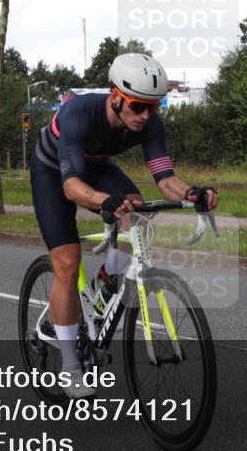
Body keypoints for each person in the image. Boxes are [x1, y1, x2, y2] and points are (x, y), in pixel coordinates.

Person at [30, 53, 218, 398]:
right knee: (67, 264)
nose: (145, 115)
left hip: (97, 166)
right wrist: (104, 201)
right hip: (54, 171)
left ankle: (106, 287)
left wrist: (191, 193)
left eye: (154, 107)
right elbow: (71, 187)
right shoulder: (78, 114)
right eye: (138, 106)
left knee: (139, 218)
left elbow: (165, 179)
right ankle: (70, 366)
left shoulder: (150, 123)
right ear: (115, 97)